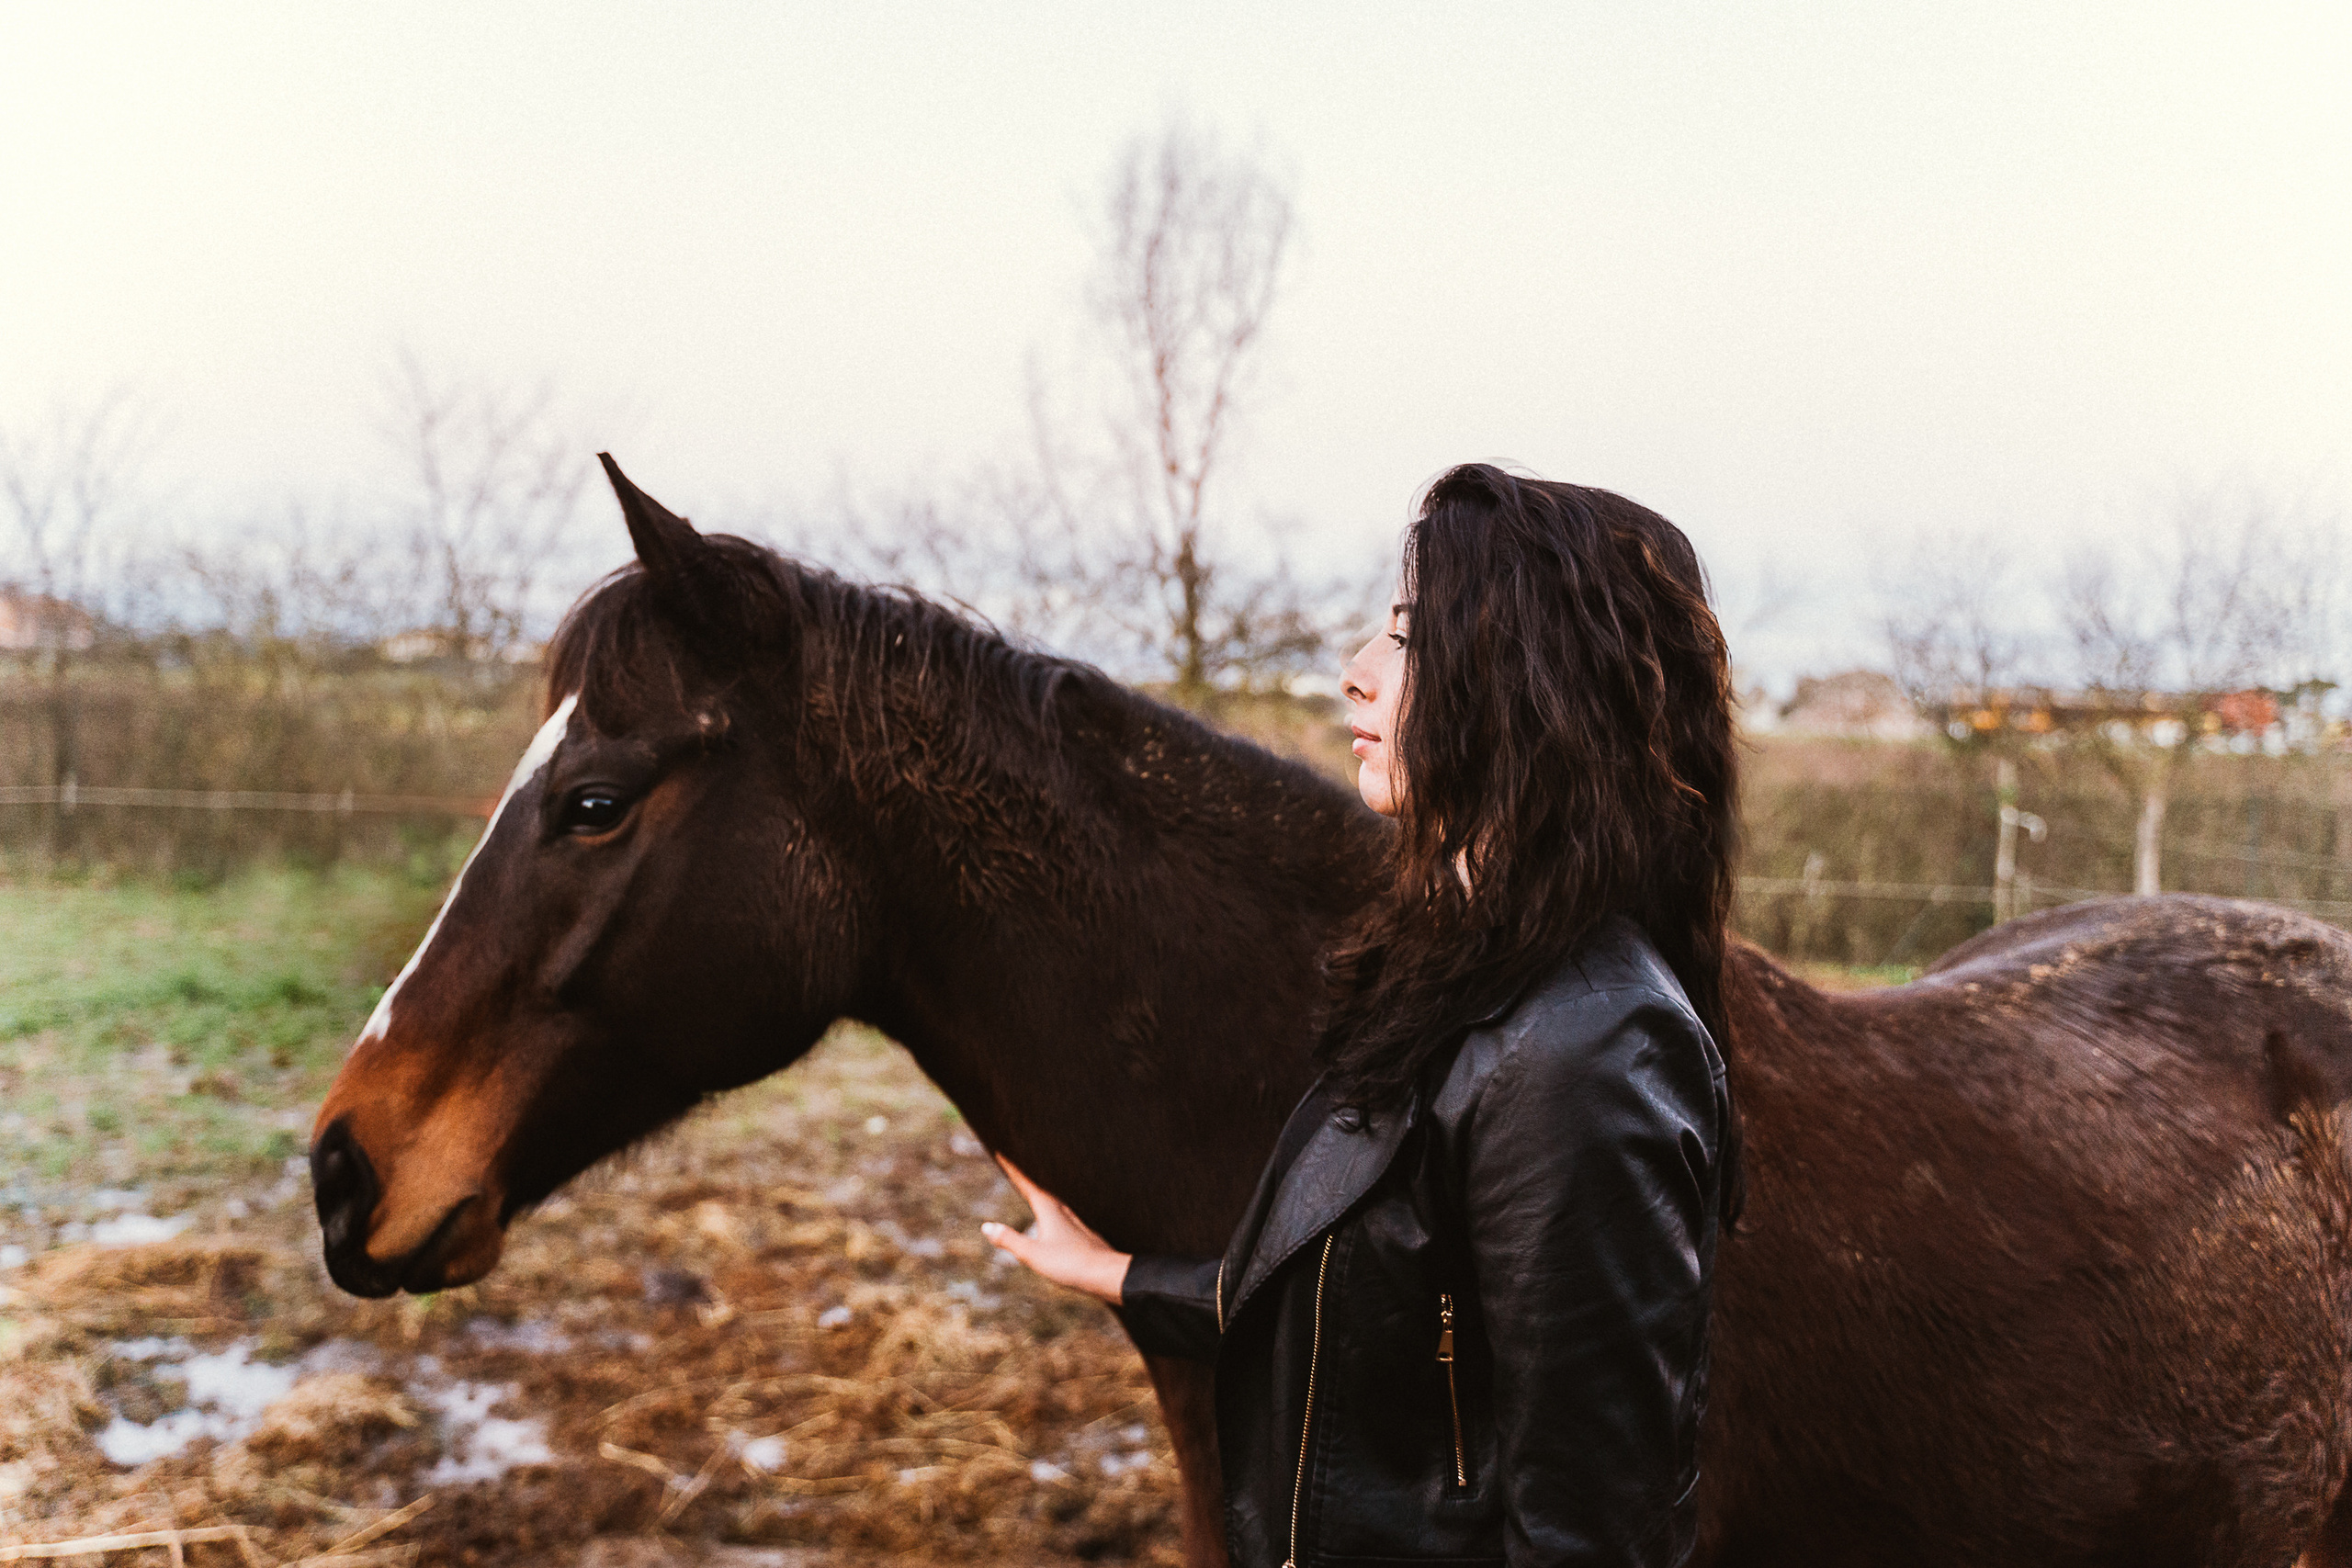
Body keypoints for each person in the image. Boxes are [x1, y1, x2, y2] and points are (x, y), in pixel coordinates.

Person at [983, 463, 1737, 1568]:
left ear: (1533, 682)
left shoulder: (1583, 1052)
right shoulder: (1452, 968)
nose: (1354, 675)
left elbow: (1588, 1535)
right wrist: (1119, 1275)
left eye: (1410, 639)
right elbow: (1349, 1299)